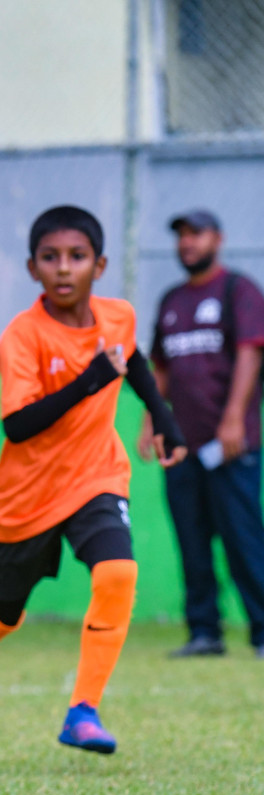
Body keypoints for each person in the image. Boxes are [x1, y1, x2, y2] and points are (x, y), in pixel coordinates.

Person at [0, 206, 187, 768]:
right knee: (2, 615)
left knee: (118, 572)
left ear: (100, 265)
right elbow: (17, 425)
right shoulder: (21, 337)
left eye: (77, 257)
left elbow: (132, 359)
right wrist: (89, 379)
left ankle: (83, 711)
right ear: (32, 268)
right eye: (51, 258)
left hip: (97, 476)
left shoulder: (117, 316)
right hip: (27, 498)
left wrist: (163, 417)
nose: (64, 269)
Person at [142, 209, 264, 659]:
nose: (187, 243)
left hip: (231, 446)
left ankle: (262, 631)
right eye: (181, 236)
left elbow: (251, 352)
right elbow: (161, 366)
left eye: (196, 234)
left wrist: (234, 416)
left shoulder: (239, 290)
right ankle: (204, 632)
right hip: (183, 446)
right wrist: (152, 419)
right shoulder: (172, 299)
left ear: (218, 238)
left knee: (243, 538)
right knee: (191, 540)